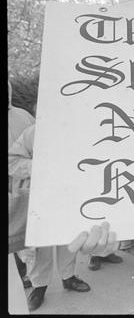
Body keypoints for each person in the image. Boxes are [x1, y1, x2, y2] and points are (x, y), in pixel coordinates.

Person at [9, 125, 93, 311]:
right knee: (40, 245)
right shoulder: (33, 132)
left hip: (69, 194)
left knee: (69, 238)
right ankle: (39, 286)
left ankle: (68, 277)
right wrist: (39, 166)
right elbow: (11, 160)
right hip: (40, 197)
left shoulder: (78, 129)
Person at [8, 79, 35, 290]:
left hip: (25, 183)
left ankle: (28, 276)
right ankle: (26, 277)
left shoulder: (23, 115)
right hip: (15, 183)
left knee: (26, 236)